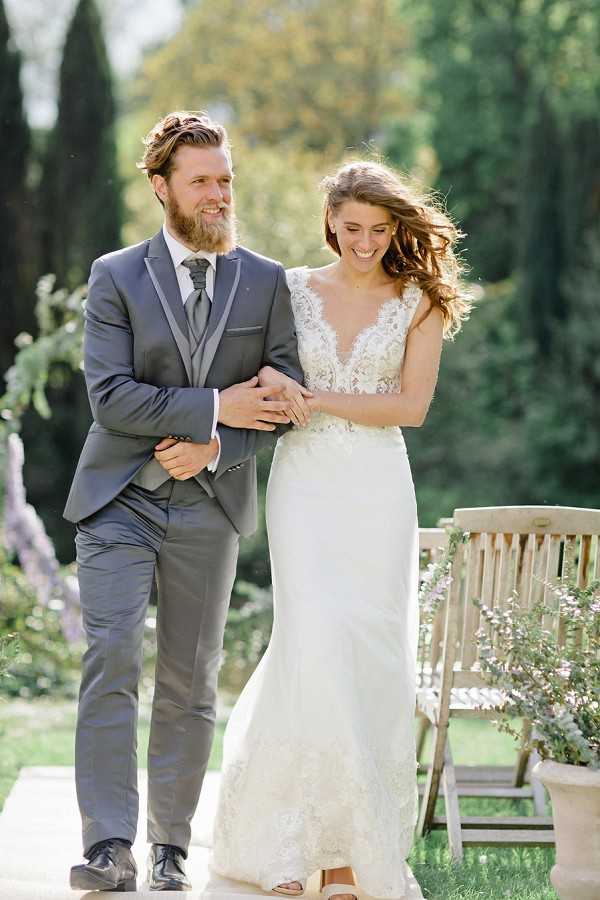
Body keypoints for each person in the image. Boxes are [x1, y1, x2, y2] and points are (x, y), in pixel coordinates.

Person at [210, 161, 471, 900]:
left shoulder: (418, 299)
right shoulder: (289, 289)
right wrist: (271, 387)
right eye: (351, 228)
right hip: (306, 488)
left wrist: (314, 395)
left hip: (377, 491)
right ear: (331, 223)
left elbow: (411, 406)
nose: (363, 242)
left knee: (372, 656)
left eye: (379, 230)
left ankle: (354, 854)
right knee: (314, 640)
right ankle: (291, 848)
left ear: (396, 229)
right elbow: (255, 374)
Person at [64, 110, 303, 893]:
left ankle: (170, 845)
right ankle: (109, 848)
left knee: (192, 677)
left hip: (211, 504)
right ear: (162, 187)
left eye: (225, 180)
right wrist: (210, 408)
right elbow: (111, 399)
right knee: (111, 659)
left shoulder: (266, 281)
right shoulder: (115, 276)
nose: (218, 195)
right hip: (118, 500)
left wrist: (217, 443)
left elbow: (279, 399)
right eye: (201, 181)